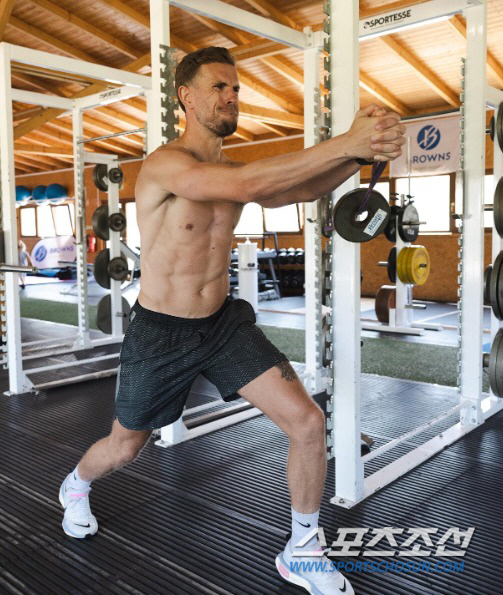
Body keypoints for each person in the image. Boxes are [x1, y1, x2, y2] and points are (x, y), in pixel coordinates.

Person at [59, 47, 405, 594]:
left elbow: (298, 188)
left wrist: (361, 153)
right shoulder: (166, 165)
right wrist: (347, 142)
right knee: (125, 447)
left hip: (221, 325)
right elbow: (249, 188)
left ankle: (302, 550)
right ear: (186, 97)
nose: (231, 97)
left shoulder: (232, 169)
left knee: (307, 422)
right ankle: (76, 485)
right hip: (160, 332)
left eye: (237, 89)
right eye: (219, 87)